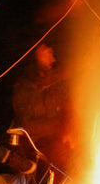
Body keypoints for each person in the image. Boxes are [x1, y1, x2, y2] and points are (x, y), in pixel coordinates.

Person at [11, 42, 74, 173]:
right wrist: (59, 130)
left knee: (87, 146)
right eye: (49, 54)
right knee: (60, 154)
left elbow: (67, 109)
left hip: (57, 138)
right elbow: (26, 125)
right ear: (37, 54)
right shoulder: (23, 87)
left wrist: (69, 130)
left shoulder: (55, 83)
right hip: (35, 142)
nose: (53, 59)